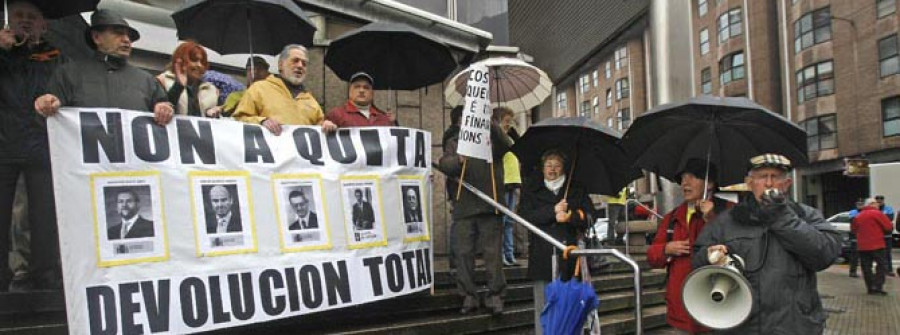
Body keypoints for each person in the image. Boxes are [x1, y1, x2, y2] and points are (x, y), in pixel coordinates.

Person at [692, 154, 841, 334]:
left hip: (794, 325)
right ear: (749, 182)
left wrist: (782, 218)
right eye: (762, 177)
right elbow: (697, 262)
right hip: (742, 325)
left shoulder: (806, 215)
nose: (769, 184)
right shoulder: (725, 222)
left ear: (786, 184)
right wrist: (710, 256)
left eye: (776, 177)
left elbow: (825, 255)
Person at [0, 0, 67, 291]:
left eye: (32, 17)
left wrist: (57, 99)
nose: (25, 22)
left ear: (44, 25)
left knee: (45, 214)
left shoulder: (55, 58)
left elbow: (66, 91)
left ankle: (45, 275)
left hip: (42, 144)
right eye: (19, 16)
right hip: (3, 143)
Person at [33, 9, 172, 124]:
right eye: (118, 33)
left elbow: (165, 119)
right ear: (97, 38)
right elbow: (46, 122)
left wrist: (165, 109)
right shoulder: (68, 74)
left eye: (129, 36)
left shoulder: (147, 80)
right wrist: (45, 105)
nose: (126, 40)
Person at [439, 109, 512, 316]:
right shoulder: (454, 139)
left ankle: (495, 295)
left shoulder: (493, 138)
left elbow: (507, 145)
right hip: (463, 205)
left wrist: (490, 123)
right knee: (463, 254)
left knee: (492, 255)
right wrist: (458, 160)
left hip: (490, 204)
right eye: (464, 118)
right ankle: (468, 296)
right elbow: (446, 164)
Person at [648, 159, 729, 334]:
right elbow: (652, 257)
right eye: (683, 178)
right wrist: (666, 249)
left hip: (720, 308)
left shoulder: (729, 211)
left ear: (710, 183)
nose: (685, 183)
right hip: (682, 310)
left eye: (692, 177)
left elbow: (740, 248)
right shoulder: (672, 217)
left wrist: (712, 219)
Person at [518, 150, 592, 333]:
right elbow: (524, 217)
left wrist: (570, 217)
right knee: (544, 306)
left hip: (570, 257)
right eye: (548, 165)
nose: (552, 169)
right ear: (542, 168)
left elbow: (590, 217)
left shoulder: (576, 189)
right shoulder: (532, 189)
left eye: (557, 165)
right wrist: (552, 211)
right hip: (542, 255)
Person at [232, 44, 337, 135]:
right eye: (295, 61)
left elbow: (320, 129)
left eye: (304, 63)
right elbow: (238, 120)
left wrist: (326, 126)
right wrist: (261, 121)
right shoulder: (258, 89)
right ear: (280, 65)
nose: (300, 66)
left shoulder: (311, 102)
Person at [156, 41, 221, 118]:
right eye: (194, 60)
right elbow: (159, 110)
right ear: (180, 61)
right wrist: (178, 86)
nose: (199, 65)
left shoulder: (212, 90)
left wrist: (215, 115)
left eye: (202, 62)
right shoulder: (162, 81)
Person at [494, 107, 521, 267]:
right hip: (503, 182)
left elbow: (521, 148)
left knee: (510, 221)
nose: (508, 125)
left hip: (513, 181)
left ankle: (509, 255)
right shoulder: (497, 139)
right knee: (502, 221)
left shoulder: (510, 138)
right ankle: (502, 254)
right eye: (506, 121)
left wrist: (514, 134)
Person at [852, 198, 893, 295]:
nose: (878, 205)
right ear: (873, 204)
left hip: (863, 246)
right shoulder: (878, 214)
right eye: (876, 203)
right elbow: (888, 227)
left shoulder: (858, 216)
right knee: (881, 265)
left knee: (866, 267)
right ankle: (878, 286)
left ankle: (870, 287)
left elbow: (853, 229)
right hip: (877, 244)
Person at [325, 72, 396, 127]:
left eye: (366, 87)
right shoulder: (337, 115)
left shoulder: (383, 117)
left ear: (372, 93)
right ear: (350, 91)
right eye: (357, 87)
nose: (361, 90)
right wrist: (325, 126)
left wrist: (393, 124)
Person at [874, 195, 896, 276]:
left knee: (887, 254)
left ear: (883, 200)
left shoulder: (888, 208)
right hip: (877, 235)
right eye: (877, 200)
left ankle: (889, 270)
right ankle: (880, 270)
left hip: (887, 235)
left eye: (881, 199)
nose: (879, 201)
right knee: (878, 254)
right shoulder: (874, 209)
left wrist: (880, 219)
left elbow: (890, 218)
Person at [848, 199, 865, 277]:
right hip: (855, 236)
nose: (860, 205)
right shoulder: (853, 212)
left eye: (861, 204)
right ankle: (852, 271)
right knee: (854, 256)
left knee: (864, 257)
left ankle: (865, 271)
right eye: (858, 204)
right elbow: (853, 223)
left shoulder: (865, 212)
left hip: (864, 237)